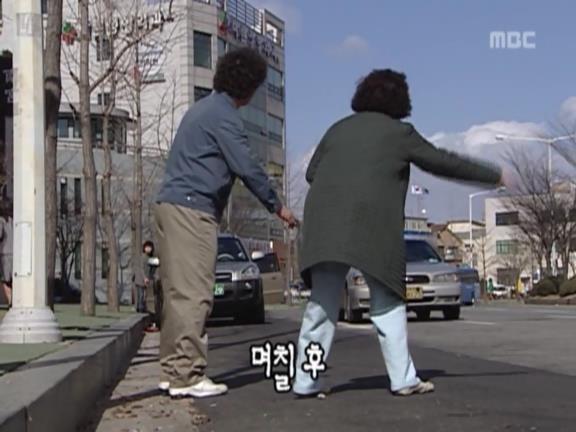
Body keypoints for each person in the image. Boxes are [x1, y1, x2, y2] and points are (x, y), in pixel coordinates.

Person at [293, 69, 508, 398]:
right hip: (373, 226)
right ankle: (403, 378)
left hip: (324, 225)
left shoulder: (337, 129)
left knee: (321, 305)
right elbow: (441, 161)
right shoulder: (399, 133)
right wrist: (493, 175)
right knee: (388, 300)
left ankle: (306, 381)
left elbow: (311, 173)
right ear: (401, 101)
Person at [154, 48, 296, 399]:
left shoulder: (201, 110)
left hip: (170, 206)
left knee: (176, 293)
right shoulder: (224, 117)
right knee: (195, 293)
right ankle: (187, 375)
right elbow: (246, 166)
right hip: (192, 210)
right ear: (248, 87)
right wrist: (277, 206)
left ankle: (174, 371)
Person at [0, 203, 13, 307]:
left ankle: (10, 301)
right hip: (15, 253)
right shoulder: (13, 221)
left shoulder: (1, 221)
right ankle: (13, 300)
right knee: (13, 279)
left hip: (4, 253)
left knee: (5, 280)